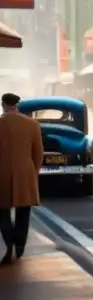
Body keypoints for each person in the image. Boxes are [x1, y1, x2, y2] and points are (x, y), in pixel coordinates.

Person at [0, 93, 44, 264]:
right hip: (26, 173)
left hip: (2, 174)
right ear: (17, 105)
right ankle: (20, 246)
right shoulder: (32, 124)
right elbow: (38, 154)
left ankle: (9, 243)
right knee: (24, 212)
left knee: (2, 212)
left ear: (3, 105)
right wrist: (34, 172)